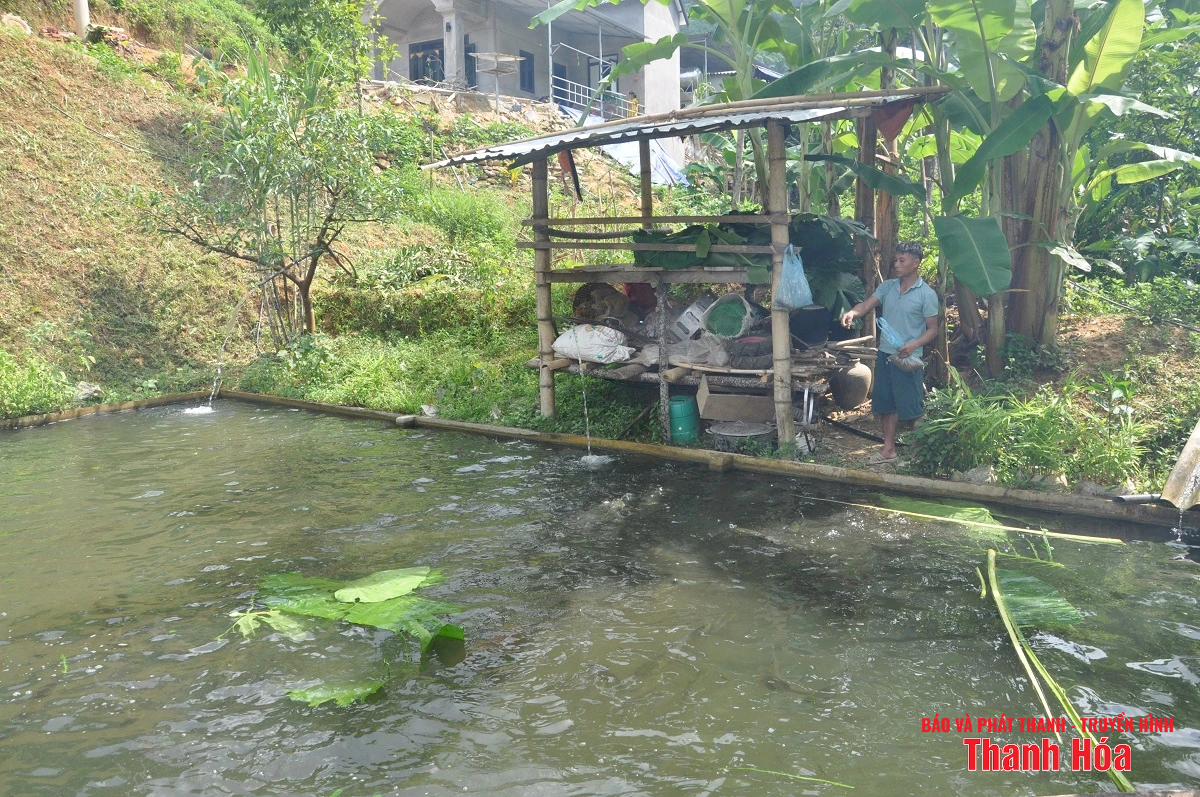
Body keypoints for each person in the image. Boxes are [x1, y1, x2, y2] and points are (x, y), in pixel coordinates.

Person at [840, 242, 939, 464]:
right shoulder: (887, 288)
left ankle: (917, 455)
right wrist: (852, 313)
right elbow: (866, 305)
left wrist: (913, 345)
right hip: (885, 355)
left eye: (902, 260)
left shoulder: (927, 294)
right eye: (896, 260)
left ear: (916, 263)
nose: (897, 264)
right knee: (886, 404)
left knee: (913, 406)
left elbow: (933, 329)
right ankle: (888, 450)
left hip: (909, 358)